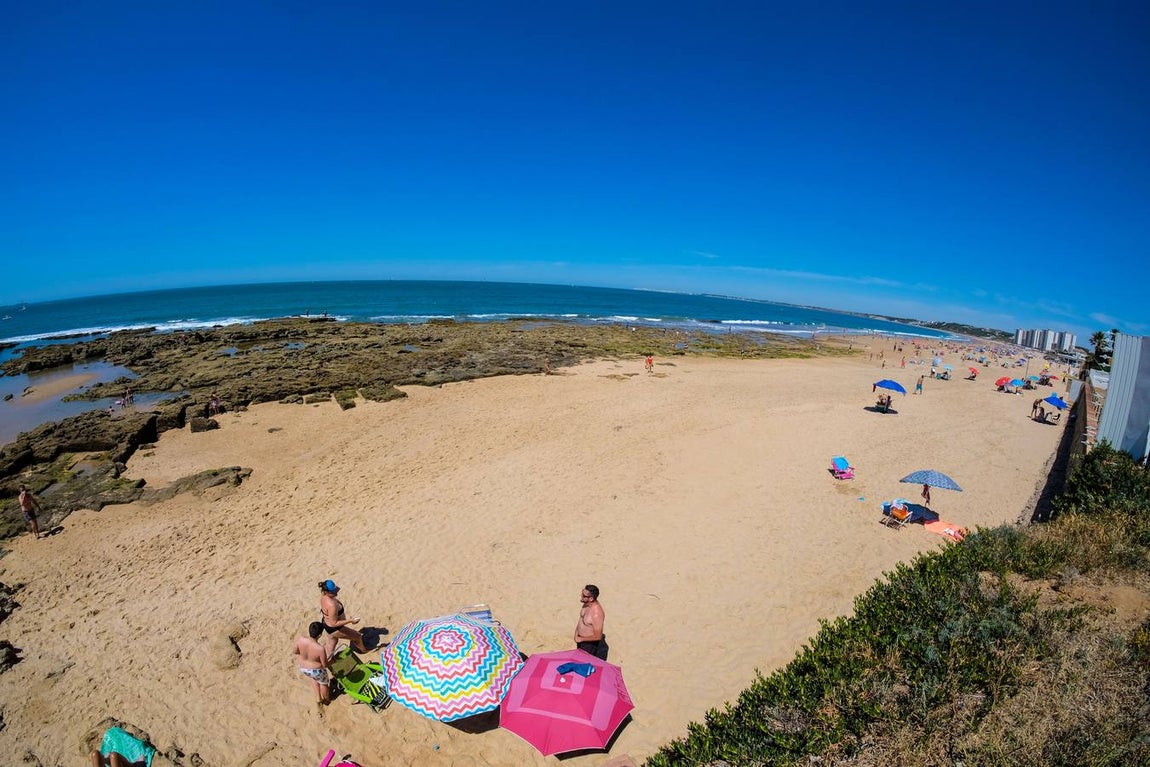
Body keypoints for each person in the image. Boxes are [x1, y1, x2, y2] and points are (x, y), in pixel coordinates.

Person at [318, 579, 367, 655]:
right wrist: (350, 621)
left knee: (332, 643)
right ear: (327, 592)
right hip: (335, 628)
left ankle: (327, 659)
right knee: (357, 636)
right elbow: (333, 623)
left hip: (326, 624)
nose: (336, 592)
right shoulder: (332, 606)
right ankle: (364, 650)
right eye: (333, 592)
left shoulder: (324, 597)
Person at [294, 621, 332, 706]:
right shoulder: (320, 649)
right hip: (316, 670)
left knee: (313, 678)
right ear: (319, 635)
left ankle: (318, 698)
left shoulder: (301, 639)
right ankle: (326, 700)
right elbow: (324, 664)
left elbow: (295, 651)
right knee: (323, 684)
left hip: (303, 667)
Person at [573, 584, 608, 660]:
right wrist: (576, 635)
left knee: (584, 666)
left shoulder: (596, 614)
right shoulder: (586, 604)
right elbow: (581, 620)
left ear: (591, 598)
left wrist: (581, 639)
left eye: (584, 596)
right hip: (581, 641)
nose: (581, 596)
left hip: (589, 645)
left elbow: (598, 636)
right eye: (582, 593)